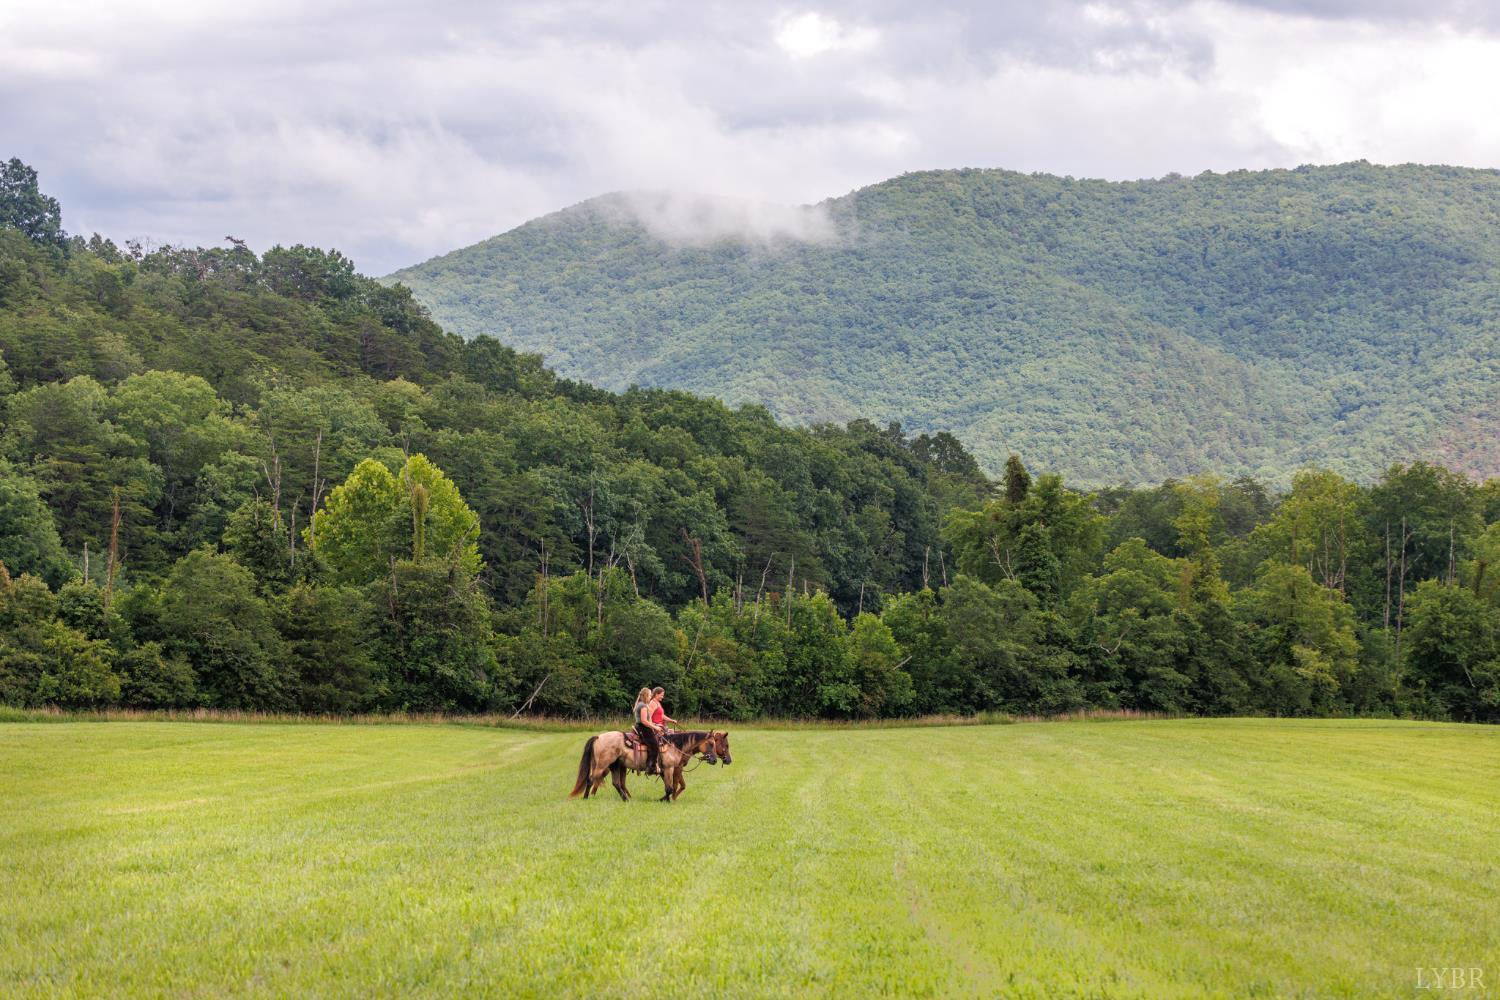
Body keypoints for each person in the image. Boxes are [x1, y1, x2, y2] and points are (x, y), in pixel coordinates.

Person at [632, 686, 662, 775]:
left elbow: (648, 721)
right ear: (645, 695)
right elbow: (644, 721)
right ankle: (650, 767)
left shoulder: (641, 704)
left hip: (642, 727)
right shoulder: (643, 706)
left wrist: (655, 725)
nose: (650, 697)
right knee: (655, 746)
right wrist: (655, 728)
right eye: (649, 696)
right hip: (643, 728)